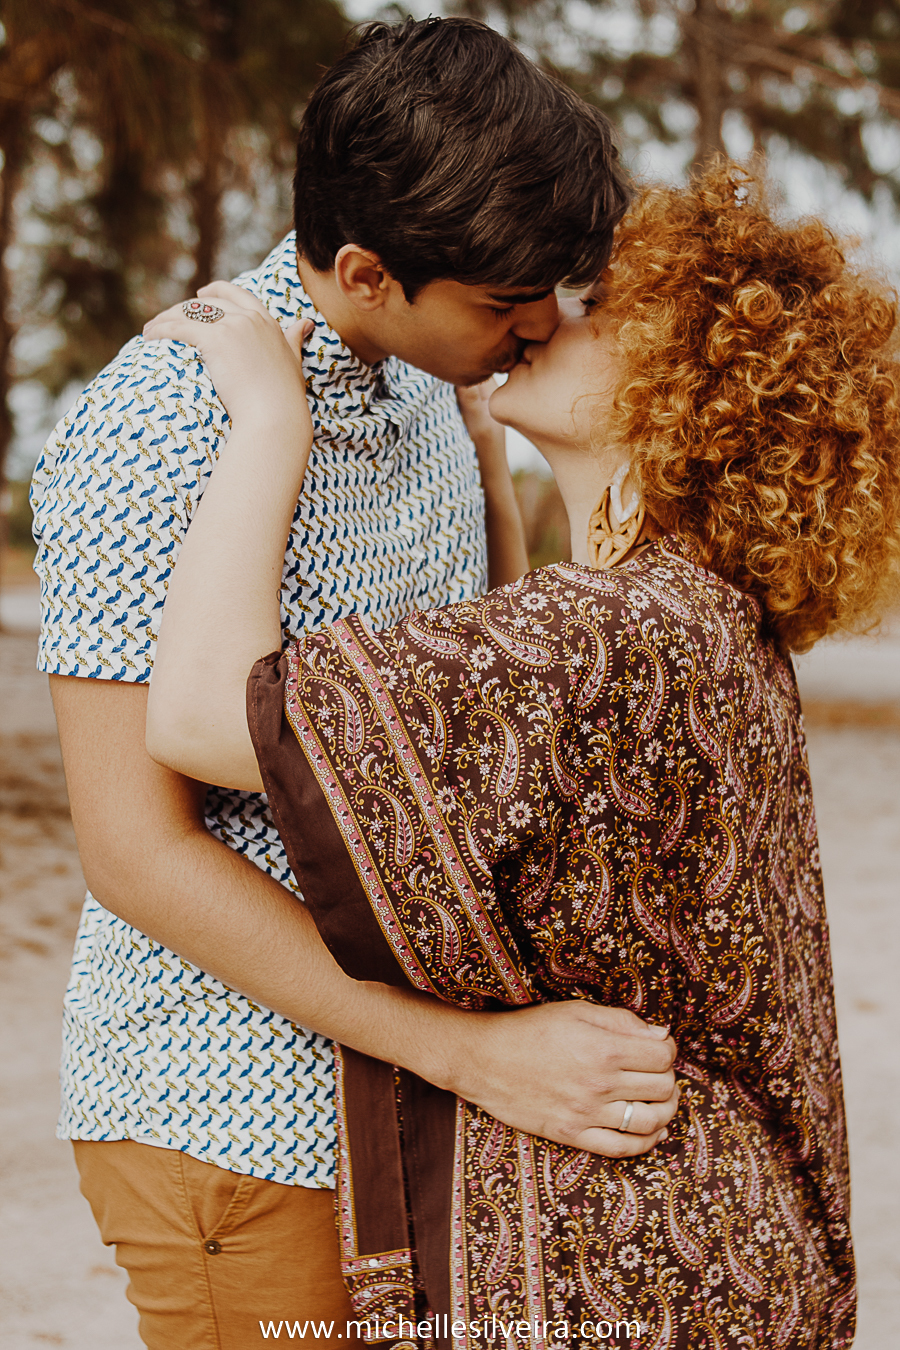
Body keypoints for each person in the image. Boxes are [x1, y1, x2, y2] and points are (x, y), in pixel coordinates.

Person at [145, 162, 900, 1348]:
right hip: (717, 1254)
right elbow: (520, 771)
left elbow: (198, 718)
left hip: (620, 1267)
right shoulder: (696, 615)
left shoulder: (613, 634)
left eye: (606, 310)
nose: (549, 313)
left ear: (686, 390)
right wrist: (496, 478)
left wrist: (270, 421)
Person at [30, 17, 680, 1349]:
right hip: (237, 1109)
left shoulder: (426, 382)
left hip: (414, 1109)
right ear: (373, 270)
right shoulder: (161, 424)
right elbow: (134, 851)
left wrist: (498, 468)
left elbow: (471, 690)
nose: (541, 325)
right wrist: (462, 1049)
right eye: (507, 304)